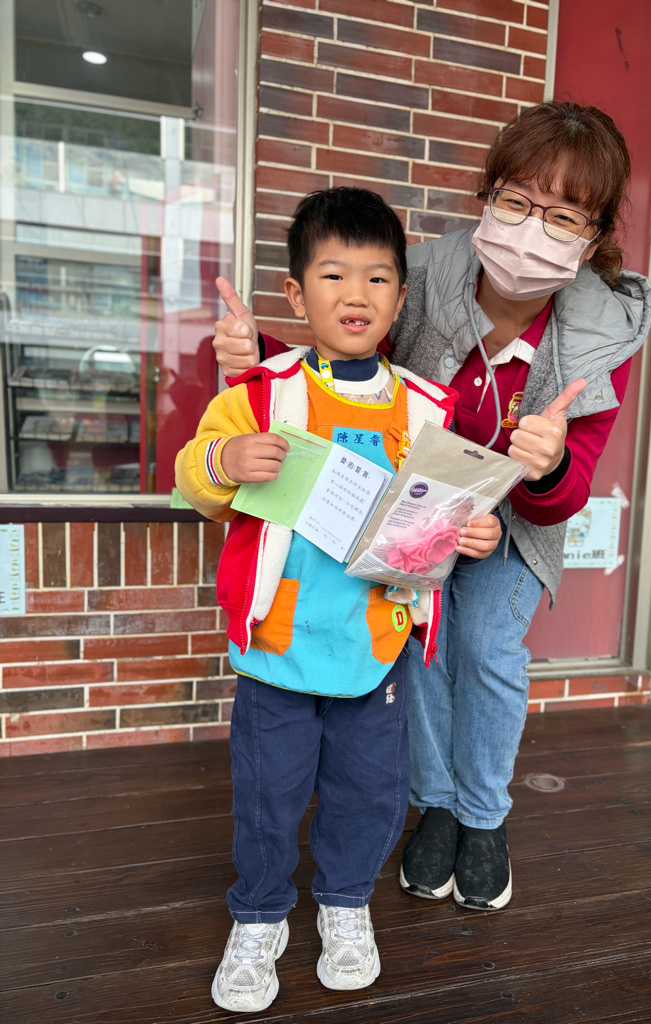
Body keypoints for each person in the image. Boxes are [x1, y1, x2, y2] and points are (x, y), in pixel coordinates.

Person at [211, 102, 651, 914]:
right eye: (516, 201)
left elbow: (563, 500)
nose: (531, 230)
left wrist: (550, 463)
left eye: (563, 216)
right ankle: (436, 806)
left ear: (592, 237)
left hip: (512, 518)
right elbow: (349, 363)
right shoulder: (424, 277)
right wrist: (262, 356)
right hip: (410, 506)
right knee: (415, 640)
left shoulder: (605, 335)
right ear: (488, 197)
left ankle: (483, 817)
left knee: (484, 644)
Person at [176, 187, 501, 1014]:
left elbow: (447, 518)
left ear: (400, 296)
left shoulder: (426, 409)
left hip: (374, 649)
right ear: (296, 294)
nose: (356, 295)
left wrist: (475, 532)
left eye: (377, 278)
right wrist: (224, 462)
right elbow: (194, 477)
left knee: (369, 793)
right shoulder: (260, 392)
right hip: (277, 651)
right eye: (333, 275)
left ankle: (347, 904)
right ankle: (259, 916)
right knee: (268, 796)